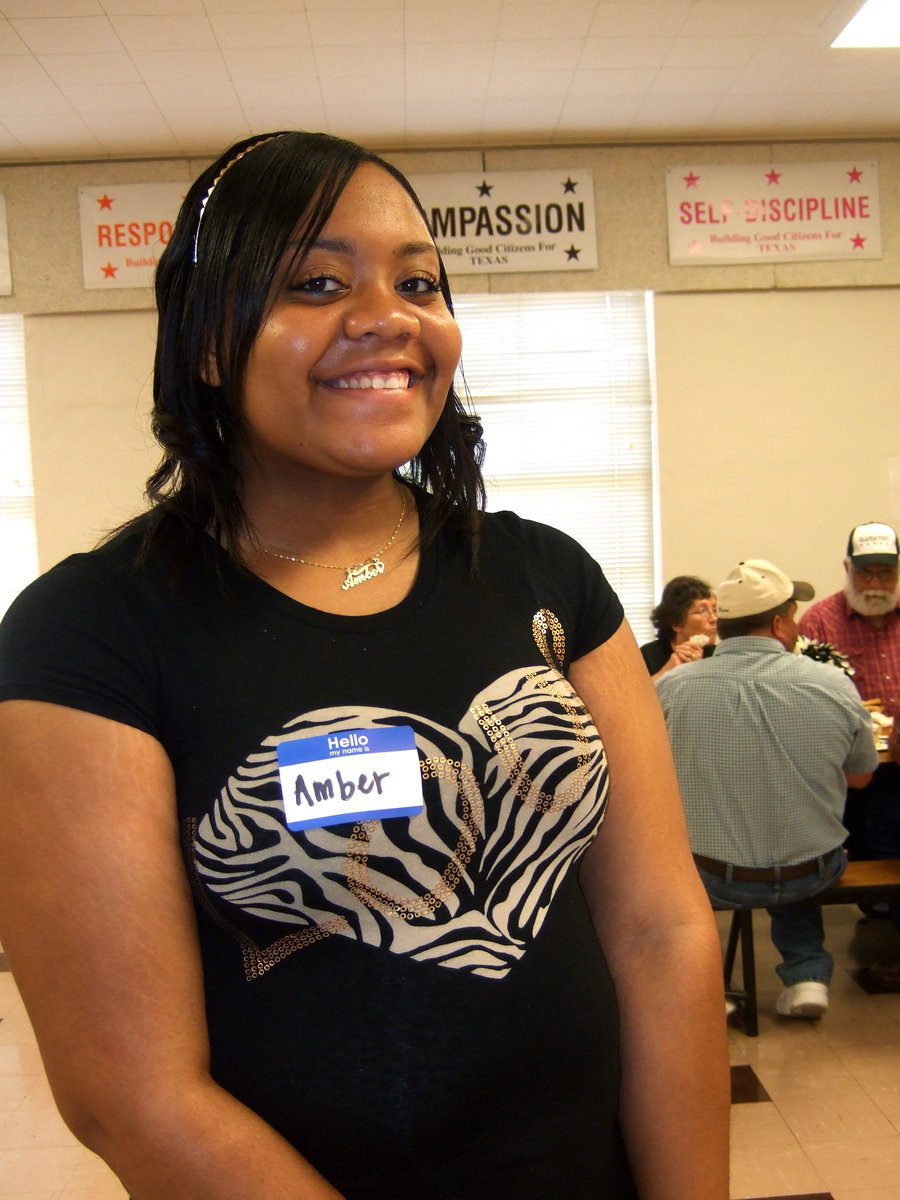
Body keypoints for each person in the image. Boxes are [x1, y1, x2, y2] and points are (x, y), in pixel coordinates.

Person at [0, 131, 728, 1200]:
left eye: (419, 280)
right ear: (207, 342)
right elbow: (132, 1096)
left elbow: (662, 931)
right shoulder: (92, 632)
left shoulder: (545, 578)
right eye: (315, 281)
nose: (389, 314)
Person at [656, 559, 878, 1019]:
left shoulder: (673, 689)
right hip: (811, 869)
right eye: (794, 616)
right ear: (779, 622)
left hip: (714, 873)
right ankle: (807, 975)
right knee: (795, 846)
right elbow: (860, 778)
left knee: (691, 861)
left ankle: (709, 986)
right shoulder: (832, 684)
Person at [798, 522, 900, 867]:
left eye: (885, 574)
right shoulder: (819, 621)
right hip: (849, 764)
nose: (875, 584)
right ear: (847, 569)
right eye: (865, 573)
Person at [639, 575, 718, 679]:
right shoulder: (648, 656)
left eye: (714, 609)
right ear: (676, 623)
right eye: (702, 611)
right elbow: (632, 694)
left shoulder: (718, 655)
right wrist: (667, 671)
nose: (714, 619)